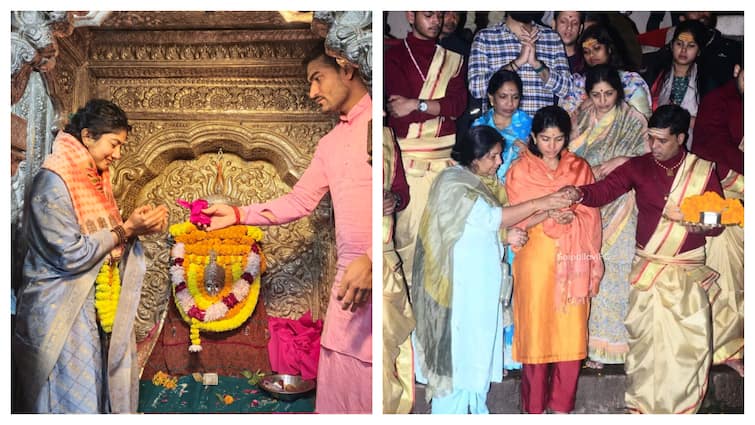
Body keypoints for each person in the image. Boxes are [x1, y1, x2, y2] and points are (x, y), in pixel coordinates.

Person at [202, 43, 372, 413]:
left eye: (317, 79)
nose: (312, 92)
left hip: (381, 272)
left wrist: (374, 258)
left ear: (347, 69)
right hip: (348, 284)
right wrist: (237, 213)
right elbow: (298, 201)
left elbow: (396, 200)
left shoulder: (379, 123)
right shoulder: (331, 143)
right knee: (341, 378)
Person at [561, 104, 725, 413]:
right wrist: (577, 193)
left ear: (681, 137)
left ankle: (680, 409)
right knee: (646, 347)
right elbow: (603, 191)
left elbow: (715, 221)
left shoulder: (702, 171)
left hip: (685, 275)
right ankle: (644, 409)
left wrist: (697, 223)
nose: (654, 146)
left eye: (662, 140)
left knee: (685, 348)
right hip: (649, 271)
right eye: (650, 138)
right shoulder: (639, 166)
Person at [12, 99, 169, 413]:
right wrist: (126, 230)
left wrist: (137, 229)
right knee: (66, 402)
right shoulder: (54, 181)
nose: (118, 154)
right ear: (87, 136)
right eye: (114, 144)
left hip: (88, 312)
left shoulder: (93, 181)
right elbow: (69, 254)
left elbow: (107, 242)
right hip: (60, 315)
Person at [412, 125, 573, 414]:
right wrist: (542, 202)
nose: (499, 163)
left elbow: (494, 226)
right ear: (475, 157)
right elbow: (492, 219)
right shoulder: (453, 184)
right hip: (458, 291)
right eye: (493, 157)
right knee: (459, 364)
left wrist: (547, 213)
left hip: (478, 287)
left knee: (475, 359)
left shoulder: (476, 182)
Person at [505, 105, 603, 414]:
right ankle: (533, 410)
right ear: (533, 137)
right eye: (545, 139)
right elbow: (514, 219)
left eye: (559, 139)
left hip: (572, 261)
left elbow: (592, 213)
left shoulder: (579, 168)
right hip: (535, 260)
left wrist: (571, 213)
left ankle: (562, 410)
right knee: (537, 330)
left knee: (570, 330)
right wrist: (548, 212)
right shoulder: (520, 170)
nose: (552, 146)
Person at [569, 64, 648, 369]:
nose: (602, 100)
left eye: (609, 94)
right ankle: (585, 345)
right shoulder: (580, 116)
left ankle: (613, 347)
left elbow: (648, 157)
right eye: (596, 94)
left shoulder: (632, 120)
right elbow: (564, 150)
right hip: (584, 201)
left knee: (615, 272)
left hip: (620, 204)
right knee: (585, 272)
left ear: (619, 92)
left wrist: (620, 160)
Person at [385, 11, 467, 290]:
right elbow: (398, 112)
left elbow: (457, 106)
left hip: (445, 166)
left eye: (439, 15)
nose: (436, 21)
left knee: (447, 247)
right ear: (410, 15)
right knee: (412, 245)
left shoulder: (452, 59)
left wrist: (417, 104)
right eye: (428, 14)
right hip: (411, 167)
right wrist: (435, 107)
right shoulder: (391, 55)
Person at [471, 68, 532, 374]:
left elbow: (545, 162)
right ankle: (490, 349)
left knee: (516, 278)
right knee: (490, 278)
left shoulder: (529, 126)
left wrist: (529, 153)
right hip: (487, 204)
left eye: (515, 97)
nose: (509, 103)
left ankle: (514, 351)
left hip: (521, 205)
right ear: (491, 97)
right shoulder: (478, 125)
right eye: (503, 96)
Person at [691, 63, 744, 377]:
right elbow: (710, 152)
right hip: (726, 201)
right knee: (727, 279)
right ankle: (725, 349)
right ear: (737, 69)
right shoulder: (717, 101)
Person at [468, 12, 573, 117]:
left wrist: (537, 65)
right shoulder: (486, 38)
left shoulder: (551, 38)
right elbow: (476, 88)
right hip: (500, 131)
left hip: (538, 130)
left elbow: (567, 89)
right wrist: (517, 63)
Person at [382, 127, 415, 414]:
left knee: (390, 343)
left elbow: (401, 191)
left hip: (385, 256)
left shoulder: (387, 137)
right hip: (362, 257)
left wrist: (394, 200)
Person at [560, 24, 652, 119]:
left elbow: (643, 121)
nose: (591, 55)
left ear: (609, 49)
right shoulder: (578, 84)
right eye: (586, 52)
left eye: (597, 48)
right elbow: (566, 120)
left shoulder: (630, 81)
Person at [647, 20, 712, 148]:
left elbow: (711, 122)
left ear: (699, 51)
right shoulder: (655, 75)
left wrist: (687, 121)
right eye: (679, 44)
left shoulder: (706, 82)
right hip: (655, 140)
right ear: (671, 46)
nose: (683, 50)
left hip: (692, 143)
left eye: (691, 45)